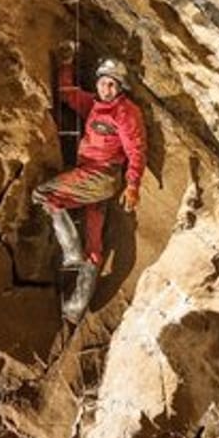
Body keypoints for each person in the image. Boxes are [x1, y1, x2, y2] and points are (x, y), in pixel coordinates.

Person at [33, 44, 146, 281]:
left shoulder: (125, 112)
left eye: (113, 84)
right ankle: (76, 308)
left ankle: (72, 253)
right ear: (97, 82)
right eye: (104, 82)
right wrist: (66, 64)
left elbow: (136, 151)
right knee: (94, 241)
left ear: (121, 87)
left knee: (44, 194)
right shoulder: (94, 105)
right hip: (91, 178)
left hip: (102, 176)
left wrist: (133, 185)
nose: (107, 88)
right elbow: (67, 92)